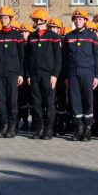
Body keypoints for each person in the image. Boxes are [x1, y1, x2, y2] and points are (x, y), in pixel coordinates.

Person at [62, 9, 98, 141]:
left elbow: (96, 57)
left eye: (80, 19)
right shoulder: (68, 37)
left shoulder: (91, 36)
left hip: (87, 73)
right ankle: (79, 128)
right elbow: (65, 58)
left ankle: (88, 129)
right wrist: (66, 76)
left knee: (88, 101)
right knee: (75, 101)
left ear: (85, 21)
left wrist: (96, 75)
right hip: (73, 74)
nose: (78, 21)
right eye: (76, 19)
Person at [26, 8, 62, 140]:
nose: (33, 22)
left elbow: (58, 59)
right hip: (34, 75)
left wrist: (55, 75)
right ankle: (39, 127)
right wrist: (28, 75)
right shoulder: (32, 36)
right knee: (37, 103)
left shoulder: (53, 37)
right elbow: (27, 58)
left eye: (34, 20)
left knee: (49, 103)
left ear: (41, 20)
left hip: (48, 76)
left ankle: (48, 129)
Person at [0, 6, 25, 138]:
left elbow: (22, 56)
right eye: (1, 18)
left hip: (13, 73)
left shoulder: (17, 36)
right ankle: (4, 125)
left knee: (12, 100)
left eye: (5, 18)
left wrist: (21, 73)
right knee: (2, 100)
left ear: (10, 19)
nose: (3, 20)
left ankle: (12, 126)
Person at [17, 22, 33, 131]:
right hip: (21, 76)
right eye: (22, 32)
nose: (24, 34)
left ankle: (35, 121)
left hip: (32, 76)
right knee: (21, 100)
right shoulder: (19, 44)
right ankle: (24, 120)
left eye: (26, 32)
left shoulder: (32, 44)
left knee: (33, 101)